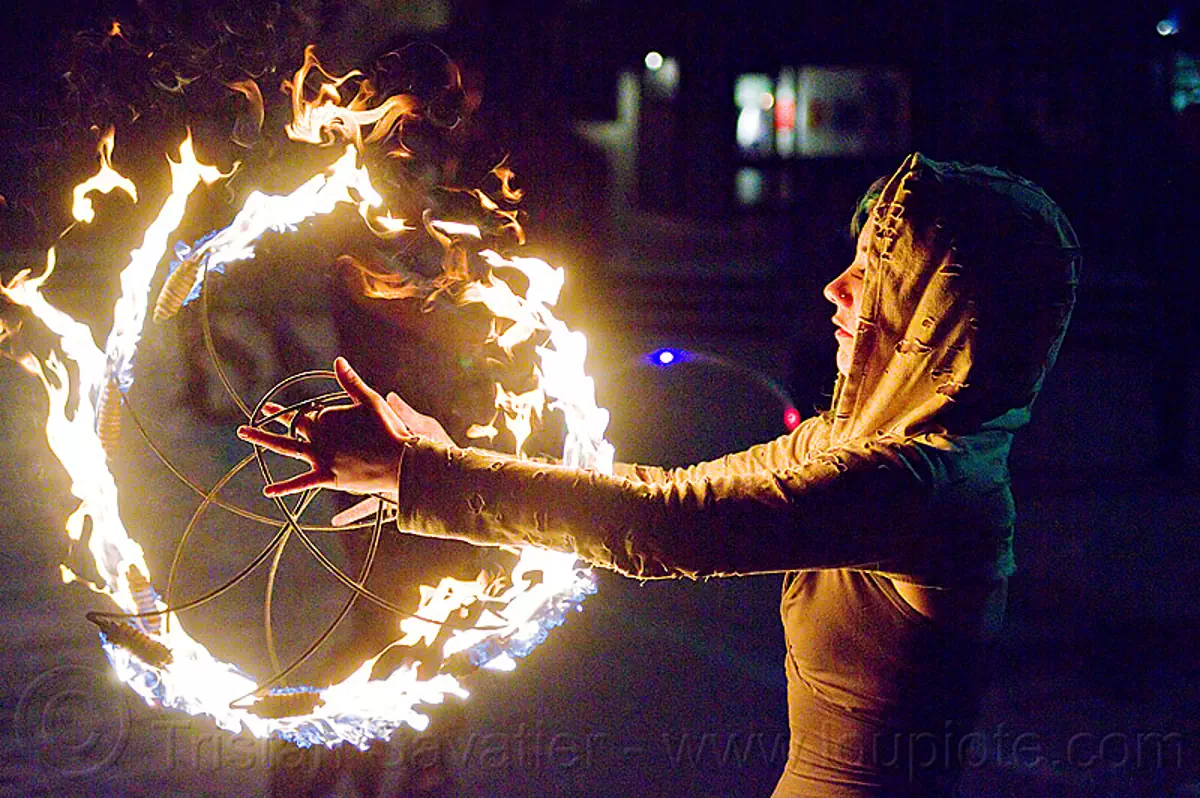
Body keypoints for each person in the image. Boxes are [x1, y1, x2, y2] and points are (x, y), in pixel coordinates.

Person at [238, 153, 1080, 796]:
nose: (836, 287)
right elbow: (659, 488)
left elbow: (665, 527)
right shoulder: (862, 450)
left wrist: (422, 477)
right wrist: (435, 460)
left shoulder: (920, 486)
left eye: (876, 273)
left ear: (942, 311)